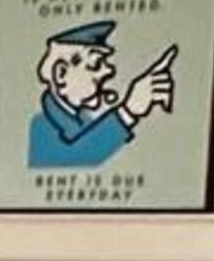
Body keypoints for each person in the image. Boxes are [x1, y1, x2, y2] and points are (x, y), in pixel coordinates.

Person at [28, 21, 176, 170]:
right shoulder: (41, 128)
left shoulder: (86, 120)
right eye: (96, 64)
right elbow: (77, 157)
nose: (109, 71)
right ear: (61, 73)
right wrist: (128, 111)